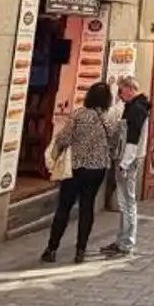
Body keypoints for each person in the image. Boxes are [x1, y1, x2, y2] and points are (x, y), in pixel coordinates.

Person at [42, 83, 121, 264]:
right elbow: (114, 144)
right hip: (97, 169)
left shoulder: (79, 115)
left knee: (64, 207)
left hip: (75, 167)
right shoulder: (110, 120)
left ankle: (52, 248)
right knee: (87, 207)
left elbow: (64, 138)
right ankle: (80, 250)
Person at [103, 77, 149, 258]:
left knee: (127, 203)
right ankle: (122, 239)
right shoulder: (137, 106)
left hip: (128, 160)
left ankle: (126, 242)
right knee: (125, 203)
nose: (120, 95)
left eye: (121, 91)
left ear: (130, 89)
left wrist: (124, 164)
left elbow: (132, 139)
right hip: (129, 158)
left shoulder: (136, 109)